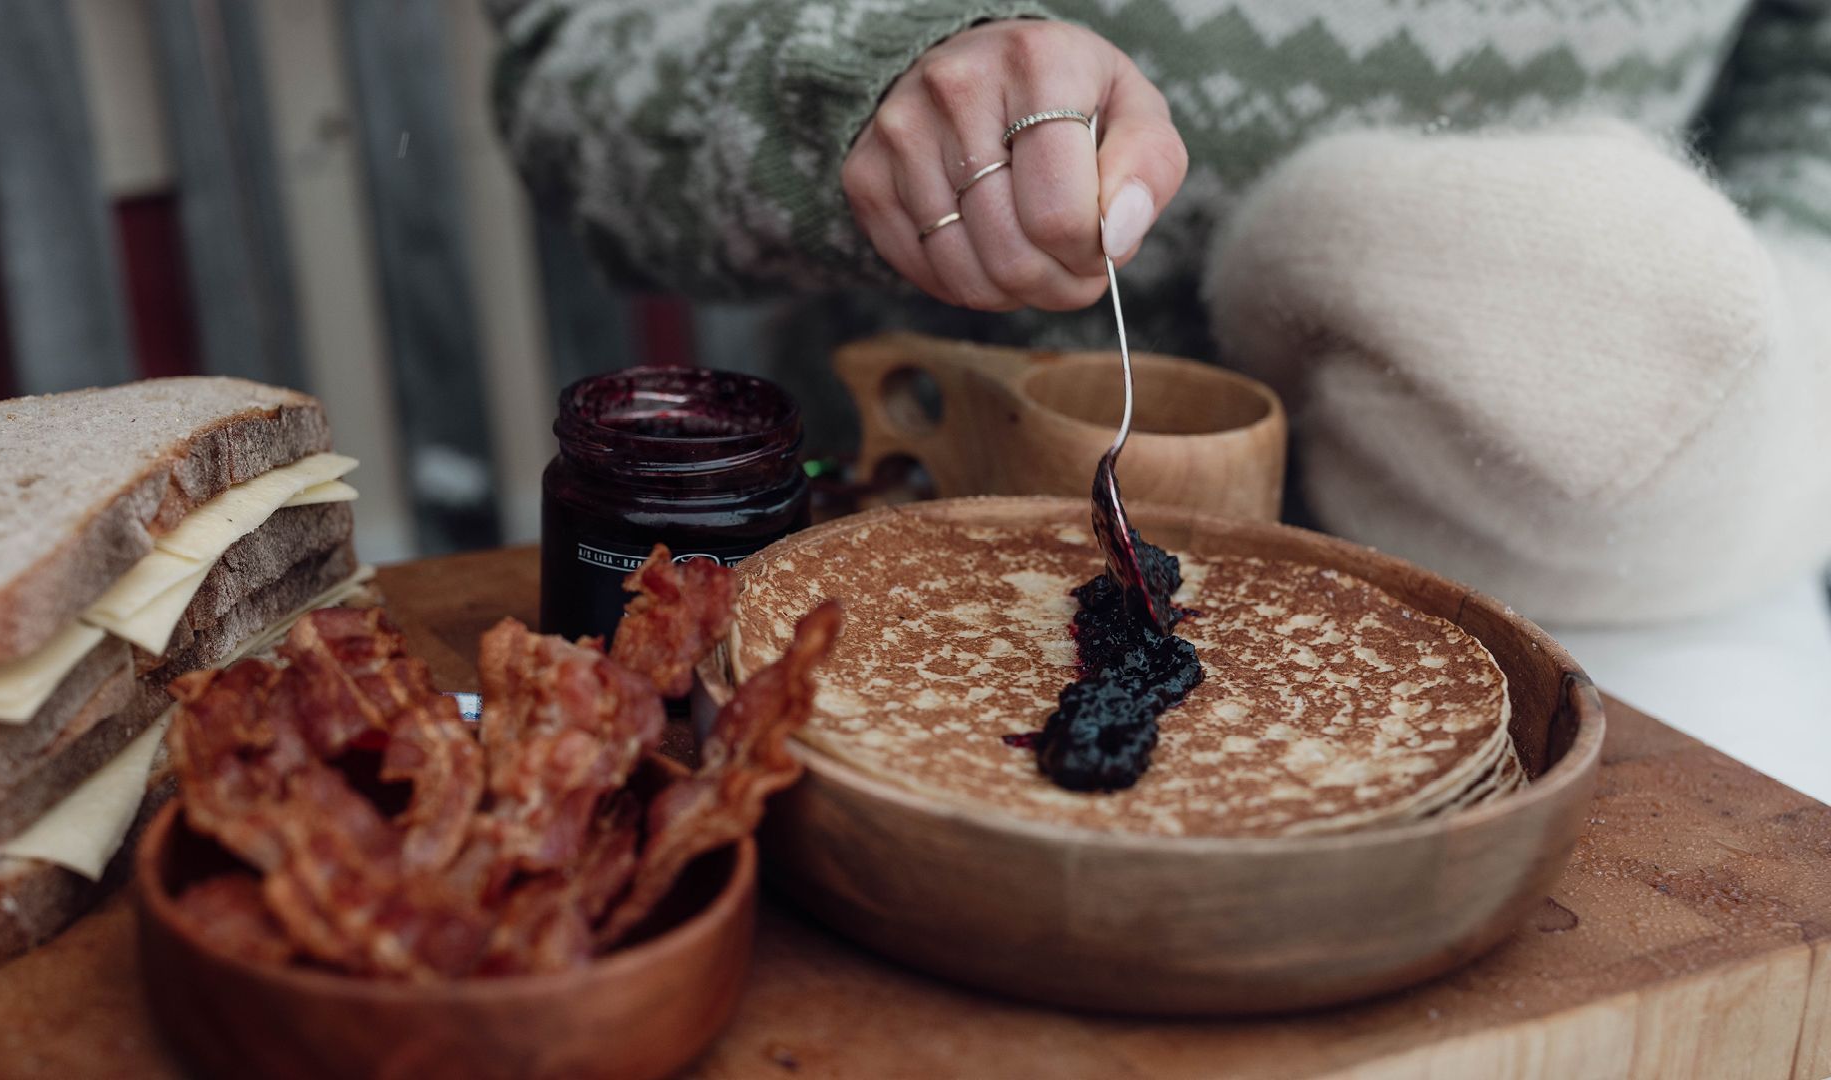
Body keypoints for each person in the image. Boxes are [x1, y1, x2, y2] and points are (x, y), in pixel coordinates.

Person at [486, 1, 1831, 794]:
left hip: (1633, 579)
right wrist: (848, 93)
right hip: (930, 554)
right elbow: (577, 58)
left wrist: (1763, 319)